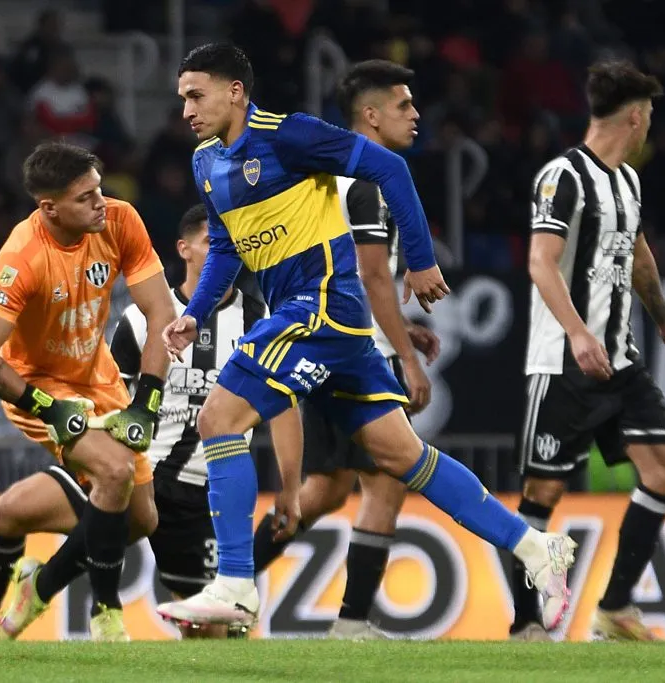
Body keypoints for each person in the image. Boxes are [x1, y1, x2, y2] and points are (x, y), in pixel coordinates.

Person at [157, 43, 576, 631]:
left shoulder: (291, 135)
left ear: (235, 91)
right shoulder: (207, 162)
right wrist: (196, 312)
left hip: (322, 305)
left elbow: (391, 168)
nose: (186, 111)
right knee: (402, 455)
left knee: (219, 418)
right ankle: (535, 547)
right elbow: (226, 248)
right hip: (338, 329)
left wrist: (423, 260)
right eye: (182, 99)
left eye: (195, 96)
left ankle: (233, 586)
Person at [0, 205, 302, 641]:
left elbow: (282, 406)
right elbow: (108, 397)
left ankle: (38, 586)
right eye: (213, 243)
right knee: (13, 509)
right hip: (140, 474)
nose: (225, 253)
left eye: (233, 245)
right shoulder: (144, 319)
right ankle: (1, 611)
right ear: (184, 249)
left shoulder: (261, 322)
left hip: (201, 496)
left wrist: (289, 486)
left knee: (218, 638)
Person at [0, 142, 175, 642]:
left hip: (100, 377)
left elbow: (161, 313)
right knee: (113, 471)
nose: (101, 203)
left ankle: (37, 583)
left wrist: (147, 402)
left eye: (100, 189)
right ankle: (105, 616)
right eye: (85, 197)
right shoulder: (22, 258)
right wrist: (45, 407)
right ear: (48, 207)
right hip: (38, 386)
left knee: (140, 518)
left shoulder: (119, 220)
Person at [251, 60, 441, 640]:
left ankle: (230, 580)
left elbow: (361, 277)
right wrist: (405, 356)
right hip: (358, 351)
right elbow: (370, 273)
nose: (415, 115)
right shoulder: (365, 181)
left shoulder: (340, 178)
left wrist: (405, 332)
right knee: (389, 478)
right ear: (371, 115)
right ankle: (346, 620)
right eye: (404, 105)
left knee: (330, 489)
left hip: (336, 341)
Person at [509, 60, 665, 642]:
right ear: (635, 117)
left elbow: (638, 259)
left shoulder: (629, 183)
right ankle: (525, 623)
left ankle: (615, 609)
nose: (649, 131)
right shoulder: (562, 176)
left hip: (621, 359)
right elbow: (540, 262)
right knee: (542, 494)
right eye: (649, 119)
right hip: (564, 360)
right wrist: (577, 332)